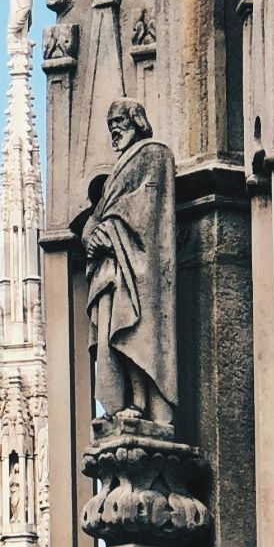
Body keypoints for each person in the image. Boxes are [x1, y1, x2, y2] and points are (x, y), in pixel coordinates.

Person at [83, 99, 177, 424]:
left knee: (133, 331)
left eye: (119, 123)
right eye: (110, 126)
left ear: (136, 121)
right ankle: (119, 404)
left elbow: (148, 205)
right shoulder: (115, 173)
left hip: (136, 265)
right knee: (113, 333)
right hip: (112, 268)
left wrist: (109, 231)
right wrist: (92, 236)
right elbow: (96, 217)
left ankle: (140, 403)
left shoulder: (154, 154)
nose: (114, 131)